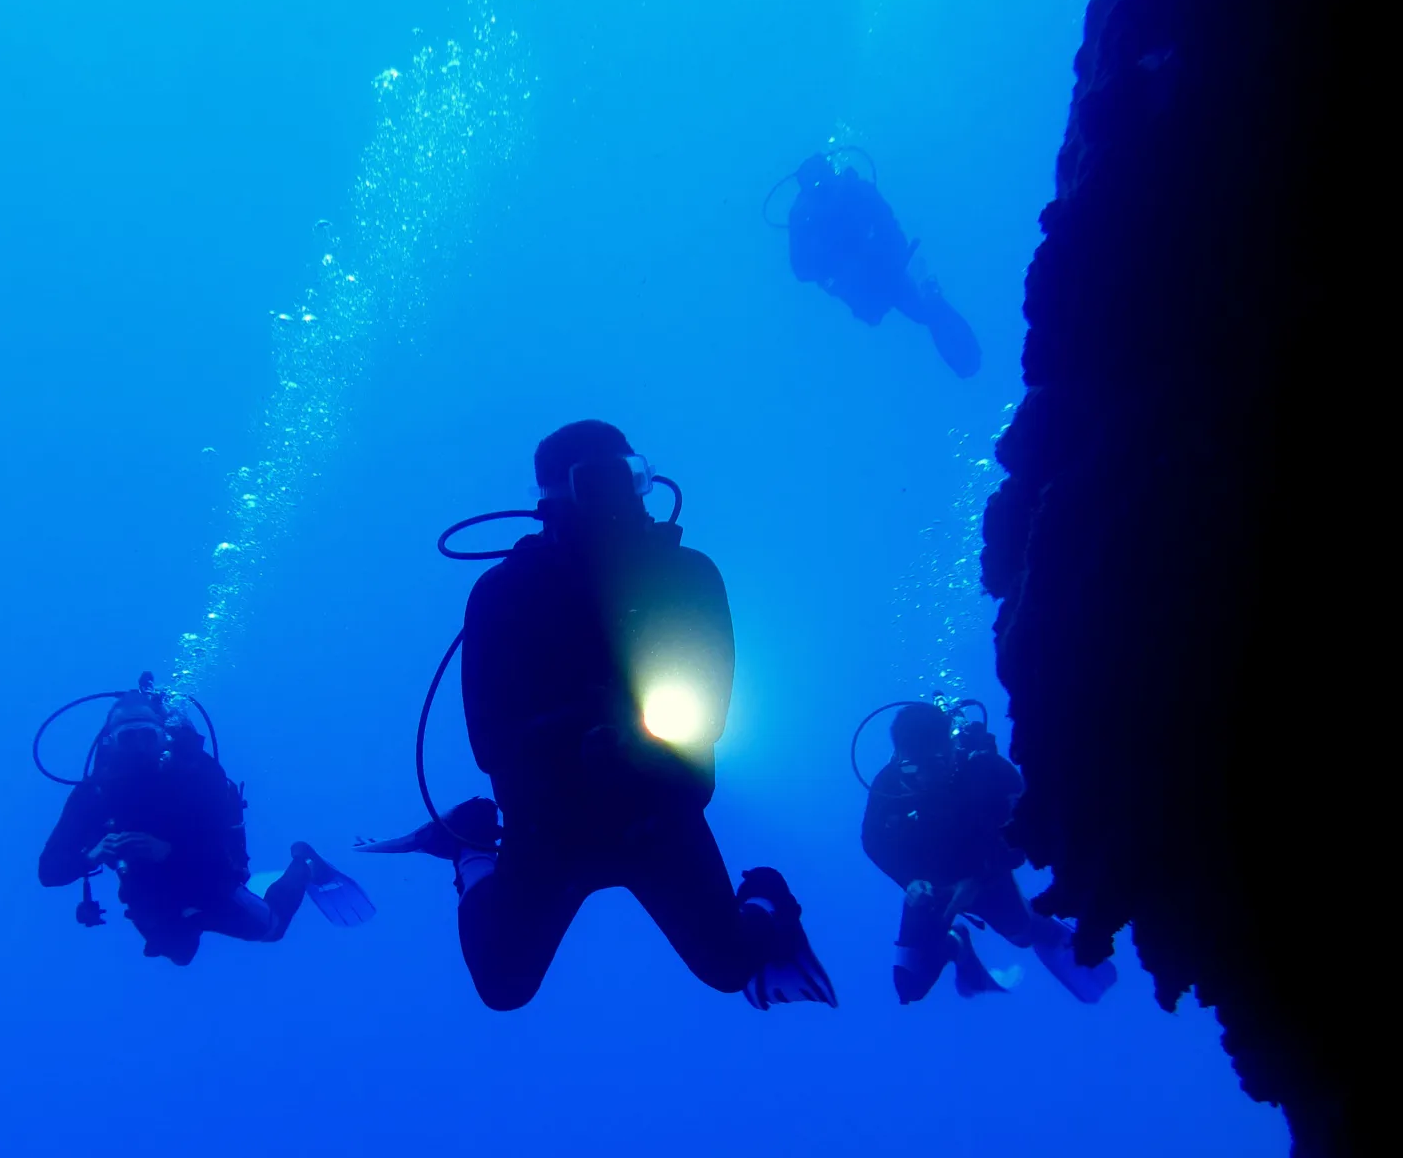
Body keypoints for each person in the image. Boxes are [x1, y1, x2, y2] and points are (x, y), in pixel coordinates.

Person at [360, 421, 836, 1013]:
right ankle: (472, 848)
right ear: (557, 494)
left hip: (658, 810)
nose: (624, 497)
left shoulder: (688, 575)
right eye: (601, 482)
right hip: (552, 821)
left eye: (631, 477)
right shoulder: (502, 593)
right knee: (503, 987)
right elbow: (487, 740)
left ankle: (768, 897)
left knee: (730, 966)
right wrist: (573, 735)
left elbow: (710, 711)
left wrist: (634, 739)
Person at [38, 681, 371, 965]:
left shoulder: (194, 773)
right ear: (111, 742)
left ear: (163, 737)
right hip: (147, 891)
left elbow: (218, 841)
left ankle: (305, 864)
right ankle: (198, 916)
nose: (138, 747)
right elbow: (48, 871)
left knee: (271, 928)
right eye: (128, 738)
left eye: (147, 736)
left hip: (209, 880)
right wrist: (91, 855)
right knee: (180, 955)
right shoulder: (93, 795)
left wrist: (168, 851)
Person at [860, 701, 1115, 1004]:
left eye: (934, 765)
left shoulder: (988, 771)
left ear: (952, 747)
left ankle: (1045, 928)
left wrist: (979, 878)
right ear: (898, 756)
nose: (923, 779)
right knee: (909, 986)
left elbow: (1030, 833)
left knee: (1021, 936)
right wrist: (909, 881)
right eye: (912, 768)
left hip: (985, 874)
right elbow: (872, 842)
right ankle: (958, 944)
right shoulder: (887, 785)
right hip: (930, 890)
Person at [786, 153, 982, 378]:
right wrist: (840, 271)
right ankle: (936, 304)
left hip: (883, 269)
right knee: (920, 311)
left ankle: (964, 355)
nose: (821, 187)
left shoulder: (852, 190)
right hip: (863, 284)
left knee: (925, 311)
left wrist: (882, 255)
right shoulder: (804, 216)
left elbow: (889, 225)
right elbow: (801, 269)